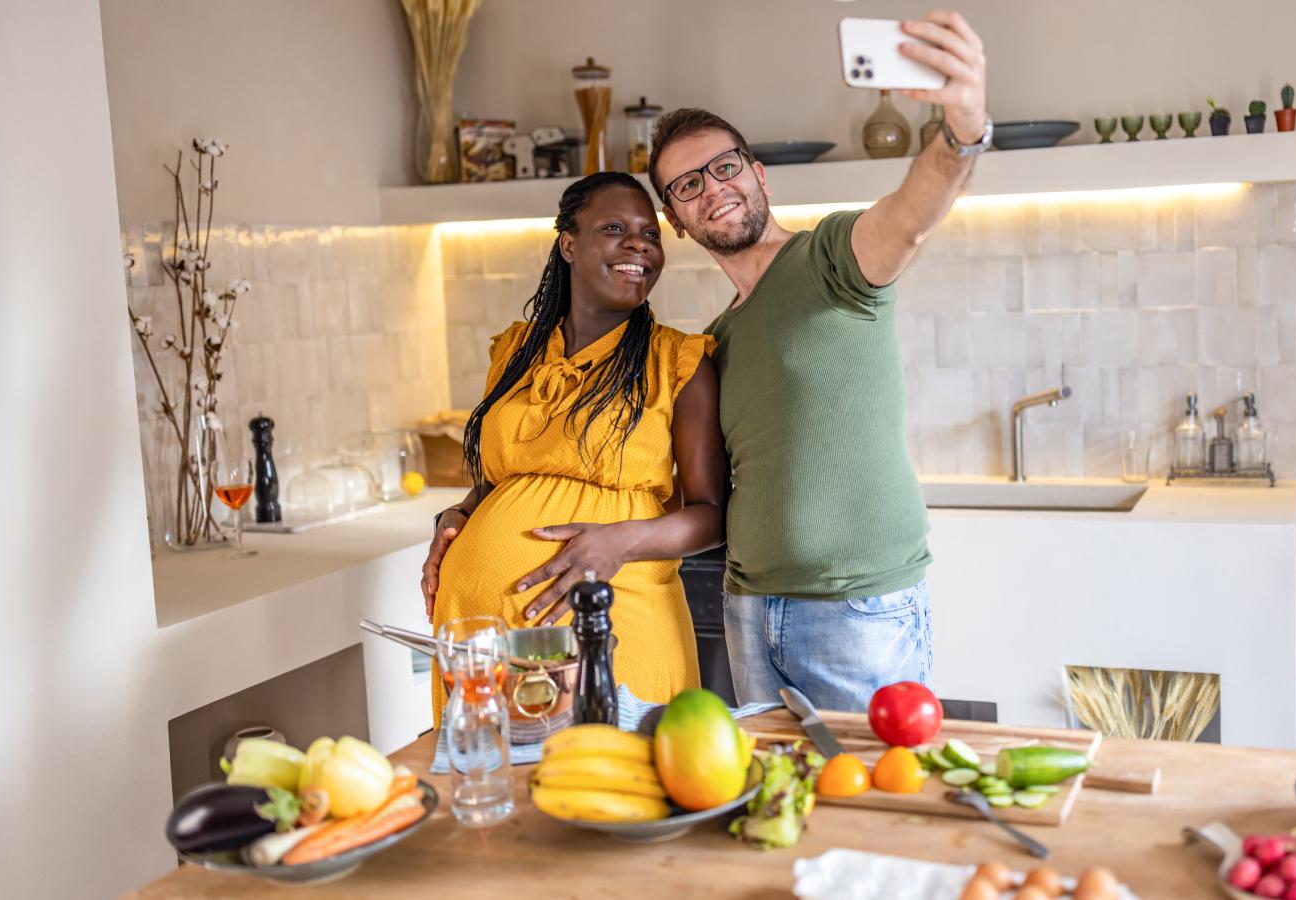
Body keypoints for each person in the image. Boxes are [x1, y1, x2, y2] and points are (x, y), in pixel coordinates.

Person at [643, 11, 989, 711]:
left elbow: (911, 214)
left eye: (725, 167)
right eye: (687, 186)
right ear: (678, 222)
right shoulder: (714, 340)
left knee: (872, 807)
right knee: (781, 807)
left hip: (855, 611)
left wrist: (962, 131)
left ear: (758, 174)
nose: (713, 188)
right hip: (750, 607)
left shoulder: (831, 259)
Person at [419, 171, 727, 724]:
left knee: (618, 784)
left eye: (649, 233)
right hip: (484, 628)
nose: (639, 244)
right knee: (498, 799)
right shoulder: (515, 351)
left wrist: (620, 543)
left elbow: (713, 513)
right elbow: (499, 479)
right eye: (614, 228)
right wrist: (460, 513)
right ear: (568, 243)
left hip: (614, 620)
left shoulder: (678, 363)